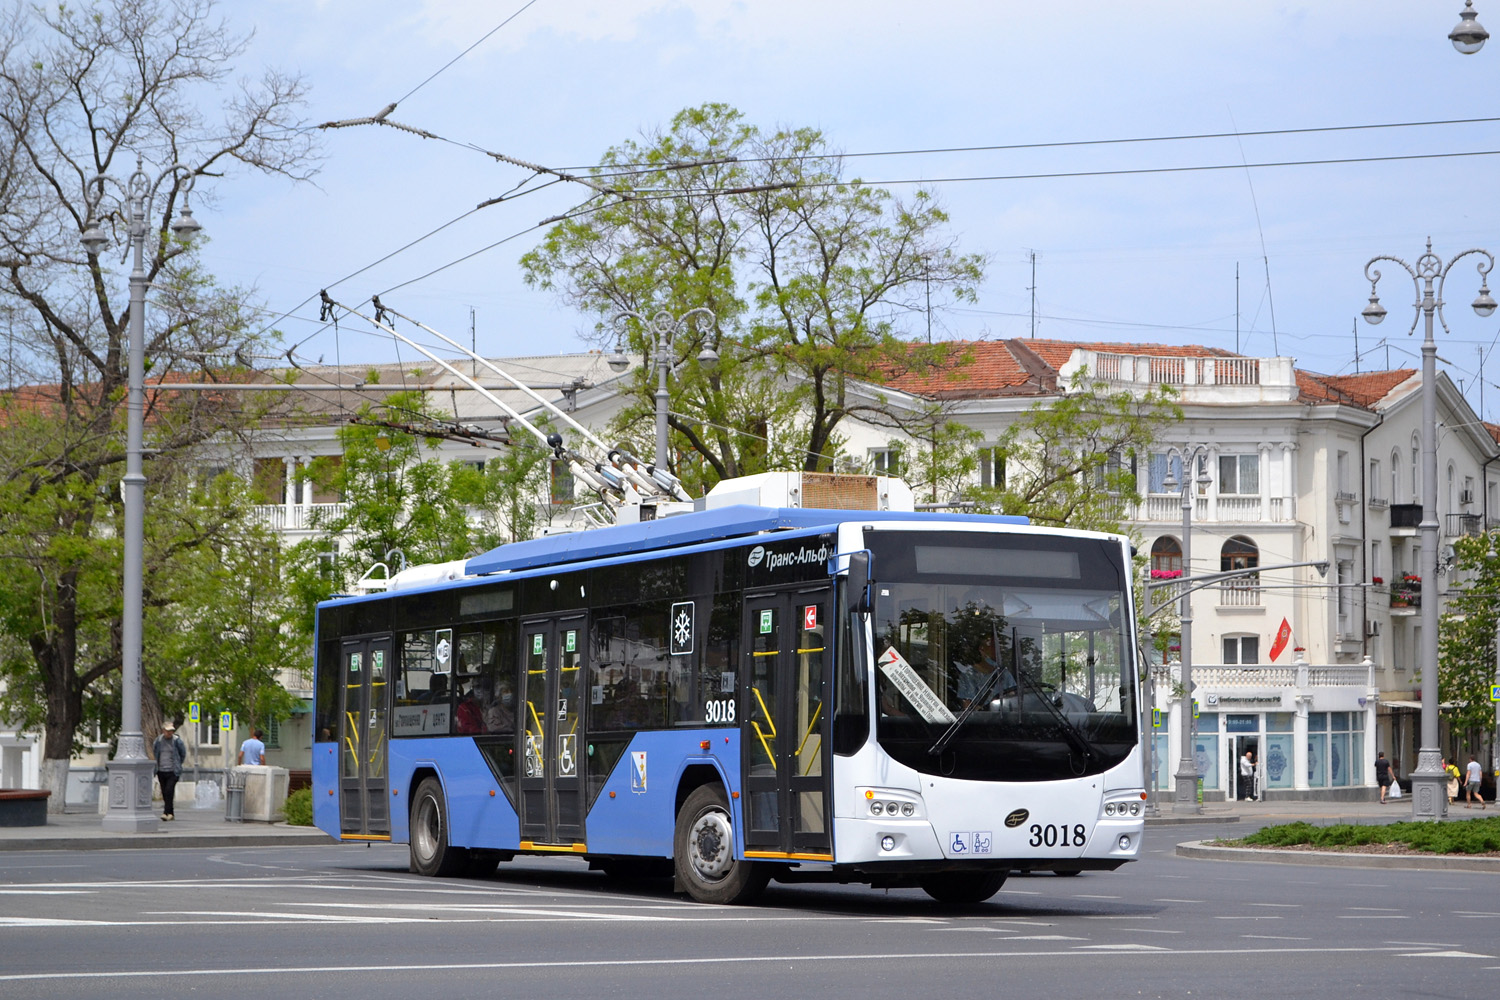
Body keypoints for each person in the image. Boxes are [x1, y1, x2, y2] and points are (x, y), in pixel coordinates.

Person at [152, 721, 187, 821]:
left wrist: (178, 764)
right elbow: (155, 753)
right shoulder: (158, 741)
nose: (169, 733)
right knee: (164, 791)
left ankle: (165, 812)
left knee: (169, 790)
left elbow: (182, 753)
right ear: (163, 731)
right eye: (167, 731)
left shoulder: (177, 741)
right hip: (161, 770)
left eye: (171, 731)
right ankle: (170, 813)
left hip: (173, 770)